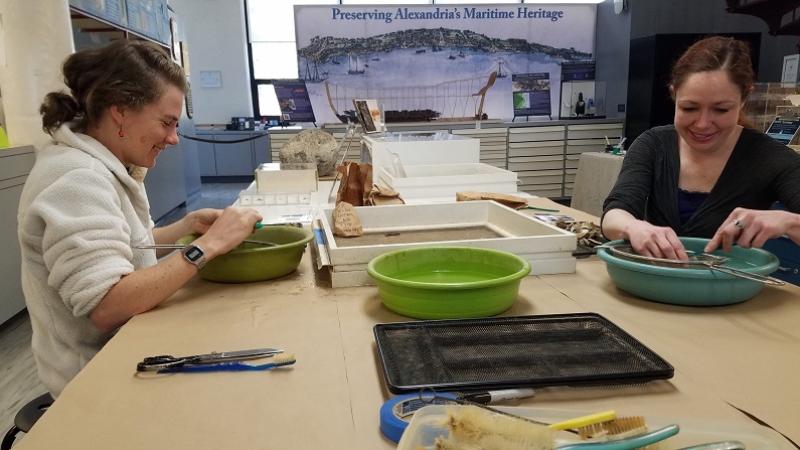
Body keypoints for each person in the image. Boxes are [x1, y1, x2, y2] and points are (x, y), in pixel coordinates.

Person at [18, 40, 262, 397]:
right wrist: (207, 246)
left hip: (130, 352)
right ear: (120, 111)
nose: (174, 138)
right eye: (166, 123)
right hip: (96, 382)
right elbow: (106, 304)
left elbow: (127, 250)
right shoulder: (75, 177)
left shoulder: (107, 164)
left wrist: (187, 226)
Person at [602, 36, 800, 260]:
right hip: (648, 287)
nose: (703, 123)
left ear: (744, 98)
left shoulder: (771, 158)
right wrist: (632, 227)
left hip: (732, 291)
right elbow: (615, 214)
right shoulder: (654, 145)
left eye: (721, 110)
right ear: (674, 93)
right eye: (689, 108)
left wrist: (788, 221)